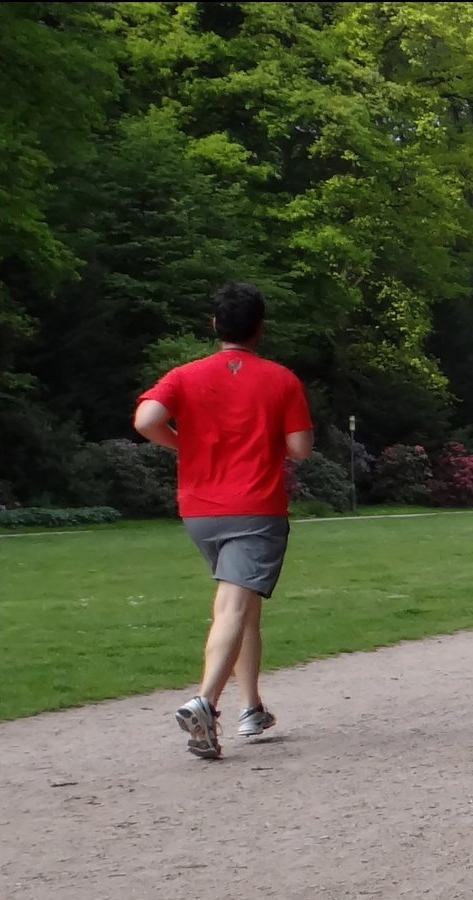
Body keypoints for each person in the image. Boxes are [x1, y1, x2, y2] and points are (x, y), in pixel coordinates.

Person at [132, 282, 313, 760]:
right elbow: (300, 449)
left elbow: (146, 418)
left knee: (245, 603)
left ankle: (251, 706)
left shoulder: (185, 375)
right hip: (255, 507)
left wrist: (184, 445)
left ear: (215, 325)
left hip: (199, 510)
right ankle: (204, 703)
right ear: (260, 328)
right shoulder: (281, 379)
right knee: (233, 606)